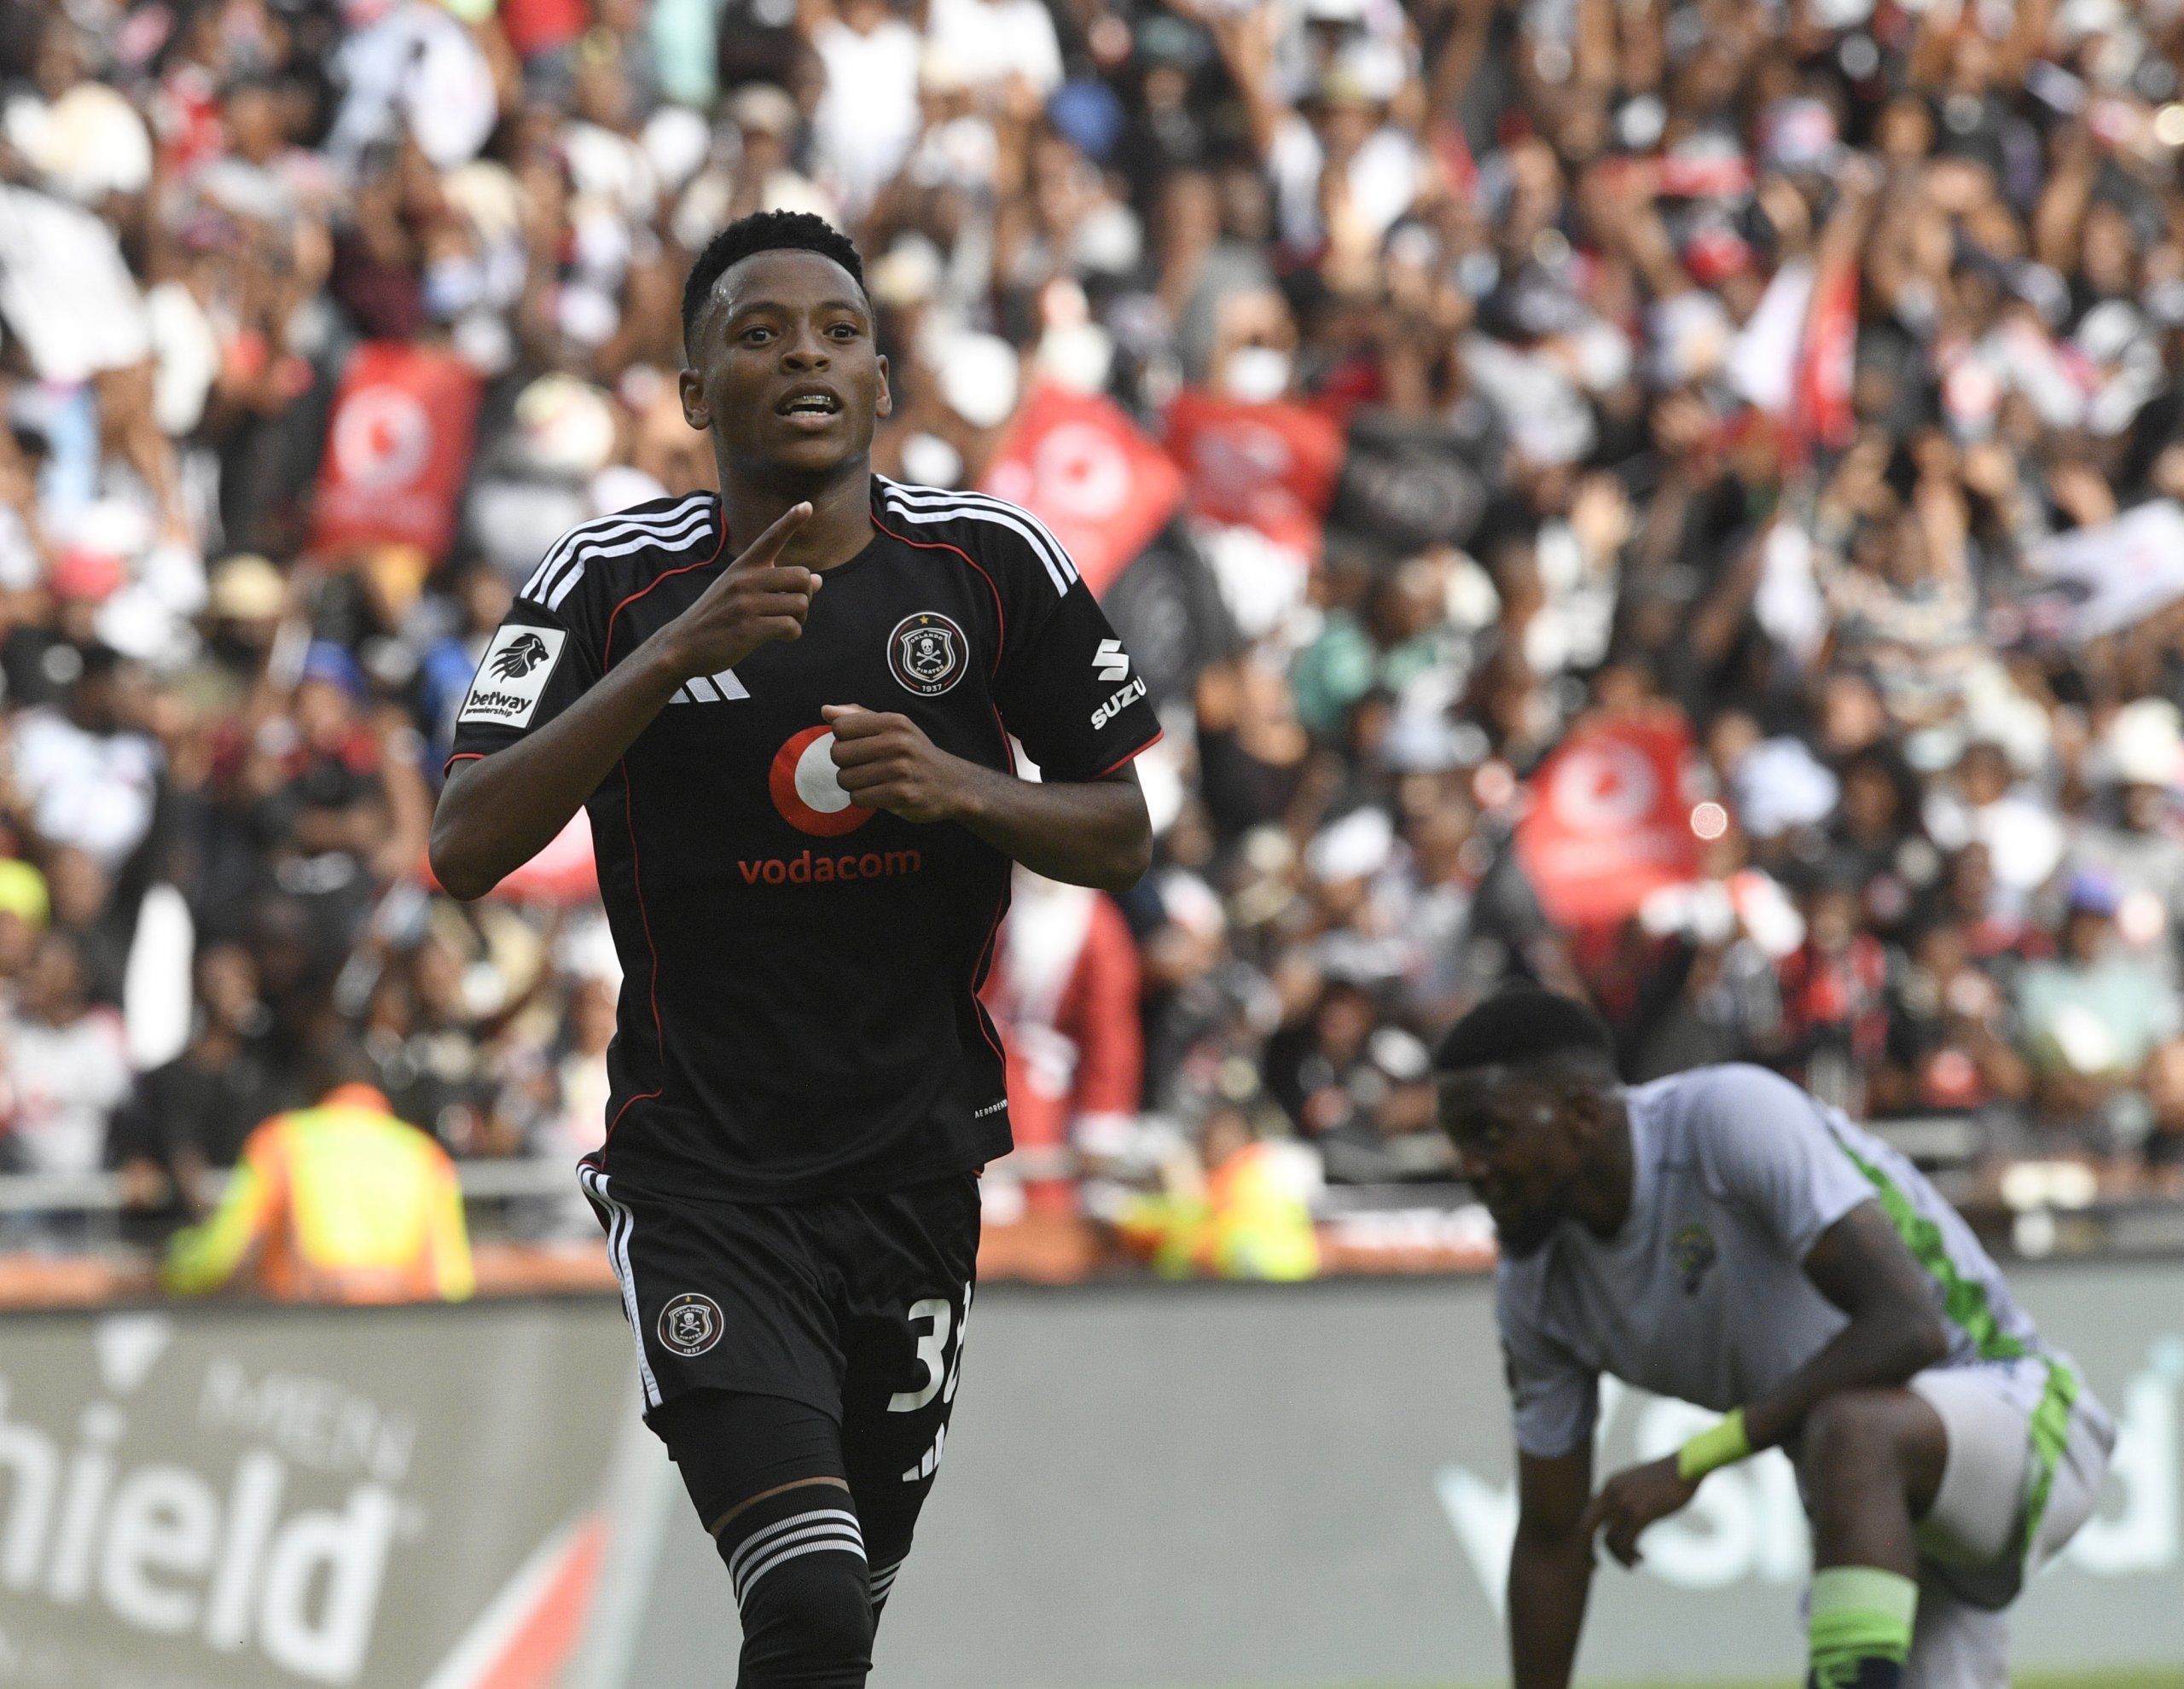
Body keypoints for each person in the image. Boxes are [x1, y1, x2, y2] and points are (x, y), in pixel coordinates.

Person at [427, 209, 1157, 1686]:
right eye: (757, 333)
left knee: (838, 1632)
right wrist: (671, 657)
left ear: (885, 378)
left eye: (835, 332)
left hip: (911, 1175)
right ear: (696, 395)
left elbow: (1121, 831)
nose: (803, 356)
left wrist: (955, 783)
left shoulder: (988, 565)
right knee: (811, 1598)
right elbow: (464, 846)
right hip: (704, 1179)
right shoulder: (609, 582)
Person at [1434, 989, 2114, 1689]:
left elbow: (1907, 1326)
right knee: (1848, 1441)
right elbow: (1551, 1540)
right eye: (1457, 1141)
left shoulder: (1727, 1118)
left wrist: (1695, 1460)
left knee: (1851, 1429)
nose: (1470, 1165)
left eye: (1489, 1133)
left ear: (1579, 1111)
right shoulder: (1535, 1286)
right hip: (1868, 1502)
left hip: (2019, 1418)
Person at [160, 1073, 474, 1303]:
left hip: (306, 1342)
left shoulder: (281, 1140)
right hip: (398, 1344)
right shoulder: (424, 1154)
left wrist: (173, 1264)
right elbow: (453, 1282)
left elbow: (219, 1255)